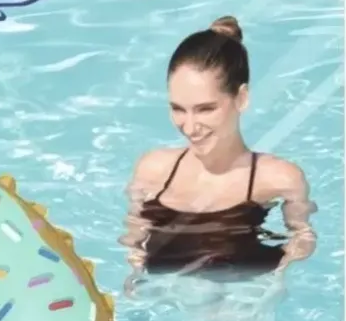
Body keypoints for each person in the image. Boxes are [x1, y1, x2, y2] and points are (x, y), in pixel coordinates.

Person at [122, 16, 317, 278]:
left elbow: (302, 237)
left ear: (241, 98)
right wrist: (136, 277)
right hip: (163, 298)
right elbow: (133, 239)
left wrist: (270, 286)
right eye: (178, 109)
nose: (190, 127)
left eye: (205, 109)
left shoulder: (279, 178)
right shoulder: (152, 169)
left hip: (240, 296)